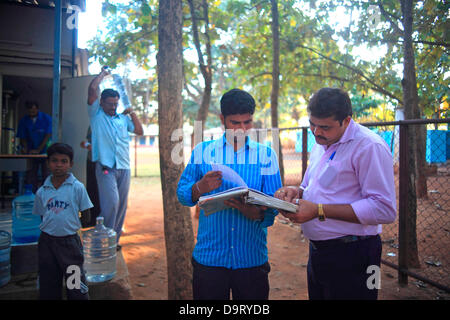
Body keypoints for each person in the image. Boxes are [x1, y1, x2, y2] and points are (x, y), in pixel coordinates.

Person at [275, 87, 396, 300]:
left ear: (346, 121)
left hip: (358, 255)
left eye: (325, 127)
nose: (316, 132)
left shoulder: (369, 147)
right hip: (320, 252)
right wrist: (295, 192)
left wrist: (319, 210)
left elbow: (384, 209)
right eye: (312, 124)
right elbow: (309, 186)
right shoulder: (321, 143)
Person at [177, 88, 283, 300]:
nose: (242, 129)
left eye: (248, 122)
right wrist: (200, 187)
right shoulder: (203, 152)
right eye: (235, 123)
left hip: (251, 259)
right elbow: (182, 194)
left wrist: (258, 214)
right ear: (222, 119)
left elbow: (273, 205)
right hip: (210, 258)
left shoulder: (266, 155)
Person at [87, 66, 143, 248]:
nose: (113, 107)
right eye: (109, 103)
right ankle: (105, 239)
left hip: (124, 167)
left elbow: (140, 131)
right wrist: (103, 74)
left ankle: (113, 241)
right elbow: (92, 89)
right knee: (111, 203)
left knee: (121, 207)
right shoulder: (96, 114)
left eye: (115, 104)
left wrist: (131, 112)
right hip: (106, 168)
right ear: (101, 102)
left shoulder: (121, 119)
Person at [32, 143, 92, 300]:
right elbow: (42, 216)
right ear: (48, 163)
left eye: (64, 161)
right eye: (54, 160)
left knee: (75, 284)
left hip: (69, 245)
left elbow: (86, 216)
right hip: (47, 244)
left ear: (71, 164)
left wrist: (69, 227)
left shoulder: (77, 187)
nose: (58, 165)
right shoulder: (42, 191)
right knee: (49, 283)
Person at [16, 100, 52, 192]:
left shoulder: (46, 118)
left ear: (37, 109)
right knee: (31, 175)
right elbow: (23, 137)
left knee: (46, 173)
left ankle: (47, 195)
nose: (32, 112)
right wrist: (25, 149)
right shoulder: (24, 121)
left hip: (45, 150)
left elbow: (48, 135)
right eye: (30, 110)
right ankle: (32, 195)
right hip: (31, 152)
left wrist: (39, 149)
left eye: (34, 110)